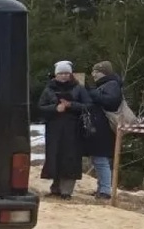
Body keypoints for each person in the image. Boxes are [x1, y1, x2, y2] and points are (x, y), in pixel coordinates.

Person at [37, 60, 93, 198]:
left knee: (70, 158)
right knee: (55, 156)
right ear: (56, 75)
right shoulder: (49, 88)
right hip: (54, 128)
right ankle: (55, 188)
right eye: (61, 73)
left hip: (73, 128)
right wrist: (55, 108)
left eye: (66, 73)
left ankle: (66, 191)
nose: (63, 76)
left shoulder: (78, 88)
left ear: (70, 74)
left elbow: (89, 105)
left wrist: (71, 105)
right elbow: (40, 107)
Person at [84, 60, 125, 201]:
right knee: (98, 159)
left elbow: (111, 102)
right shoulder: (106, 85)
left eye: (96, 71)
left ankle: (105, 191)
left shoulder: (112, 85)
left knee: (101, 159)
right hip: (101, 127)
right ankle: (102, 188)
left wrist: (92, 93)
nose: (93, 74)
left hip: (105, 128)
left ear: (104, 72)